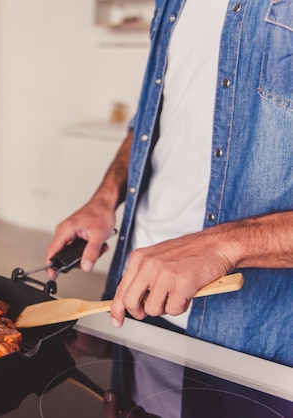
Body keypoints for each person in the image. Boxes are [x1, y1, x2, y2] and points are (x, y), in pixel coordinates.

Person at [46, 0, 293, 367]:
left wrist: (223, 246)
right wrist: (105, 196)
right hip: (132, 293)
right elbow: (151, 119)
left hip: (249, 335)